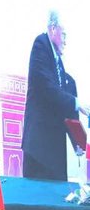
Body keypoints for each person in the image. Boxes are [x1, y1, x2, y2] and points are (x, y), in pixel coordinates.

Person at [21, 11, 87, 180]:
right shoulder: (41, 44)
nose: (66, 40)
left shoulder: (61, 67)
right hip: (39, 149)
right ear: (53, 29)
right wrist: (77, 103)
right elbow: (47, 87)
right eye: (64, 34)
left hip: (55, 152)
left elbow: (63, 107)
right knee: (37, 194)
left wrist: (77, 141)